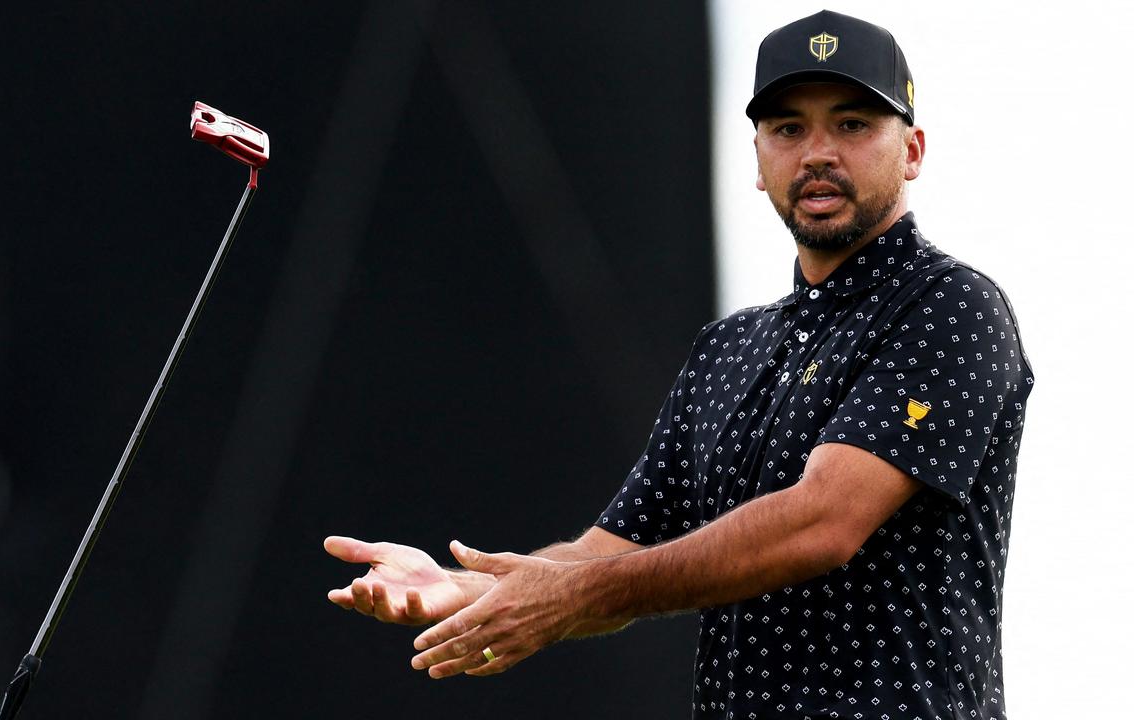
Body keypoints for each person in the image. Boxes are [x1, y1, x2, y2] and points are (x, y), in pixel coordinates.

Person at [324, 10, 1033, 720]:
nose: (817, 152)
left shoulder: (950, 306)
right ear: (757, 160)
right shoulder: (726, 350)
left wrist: (570, 596)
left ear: (911, 149)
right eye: (788, 128)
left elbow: (823, 524)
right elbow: (611, 551)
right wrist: (470, 590)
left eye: (852, 125)